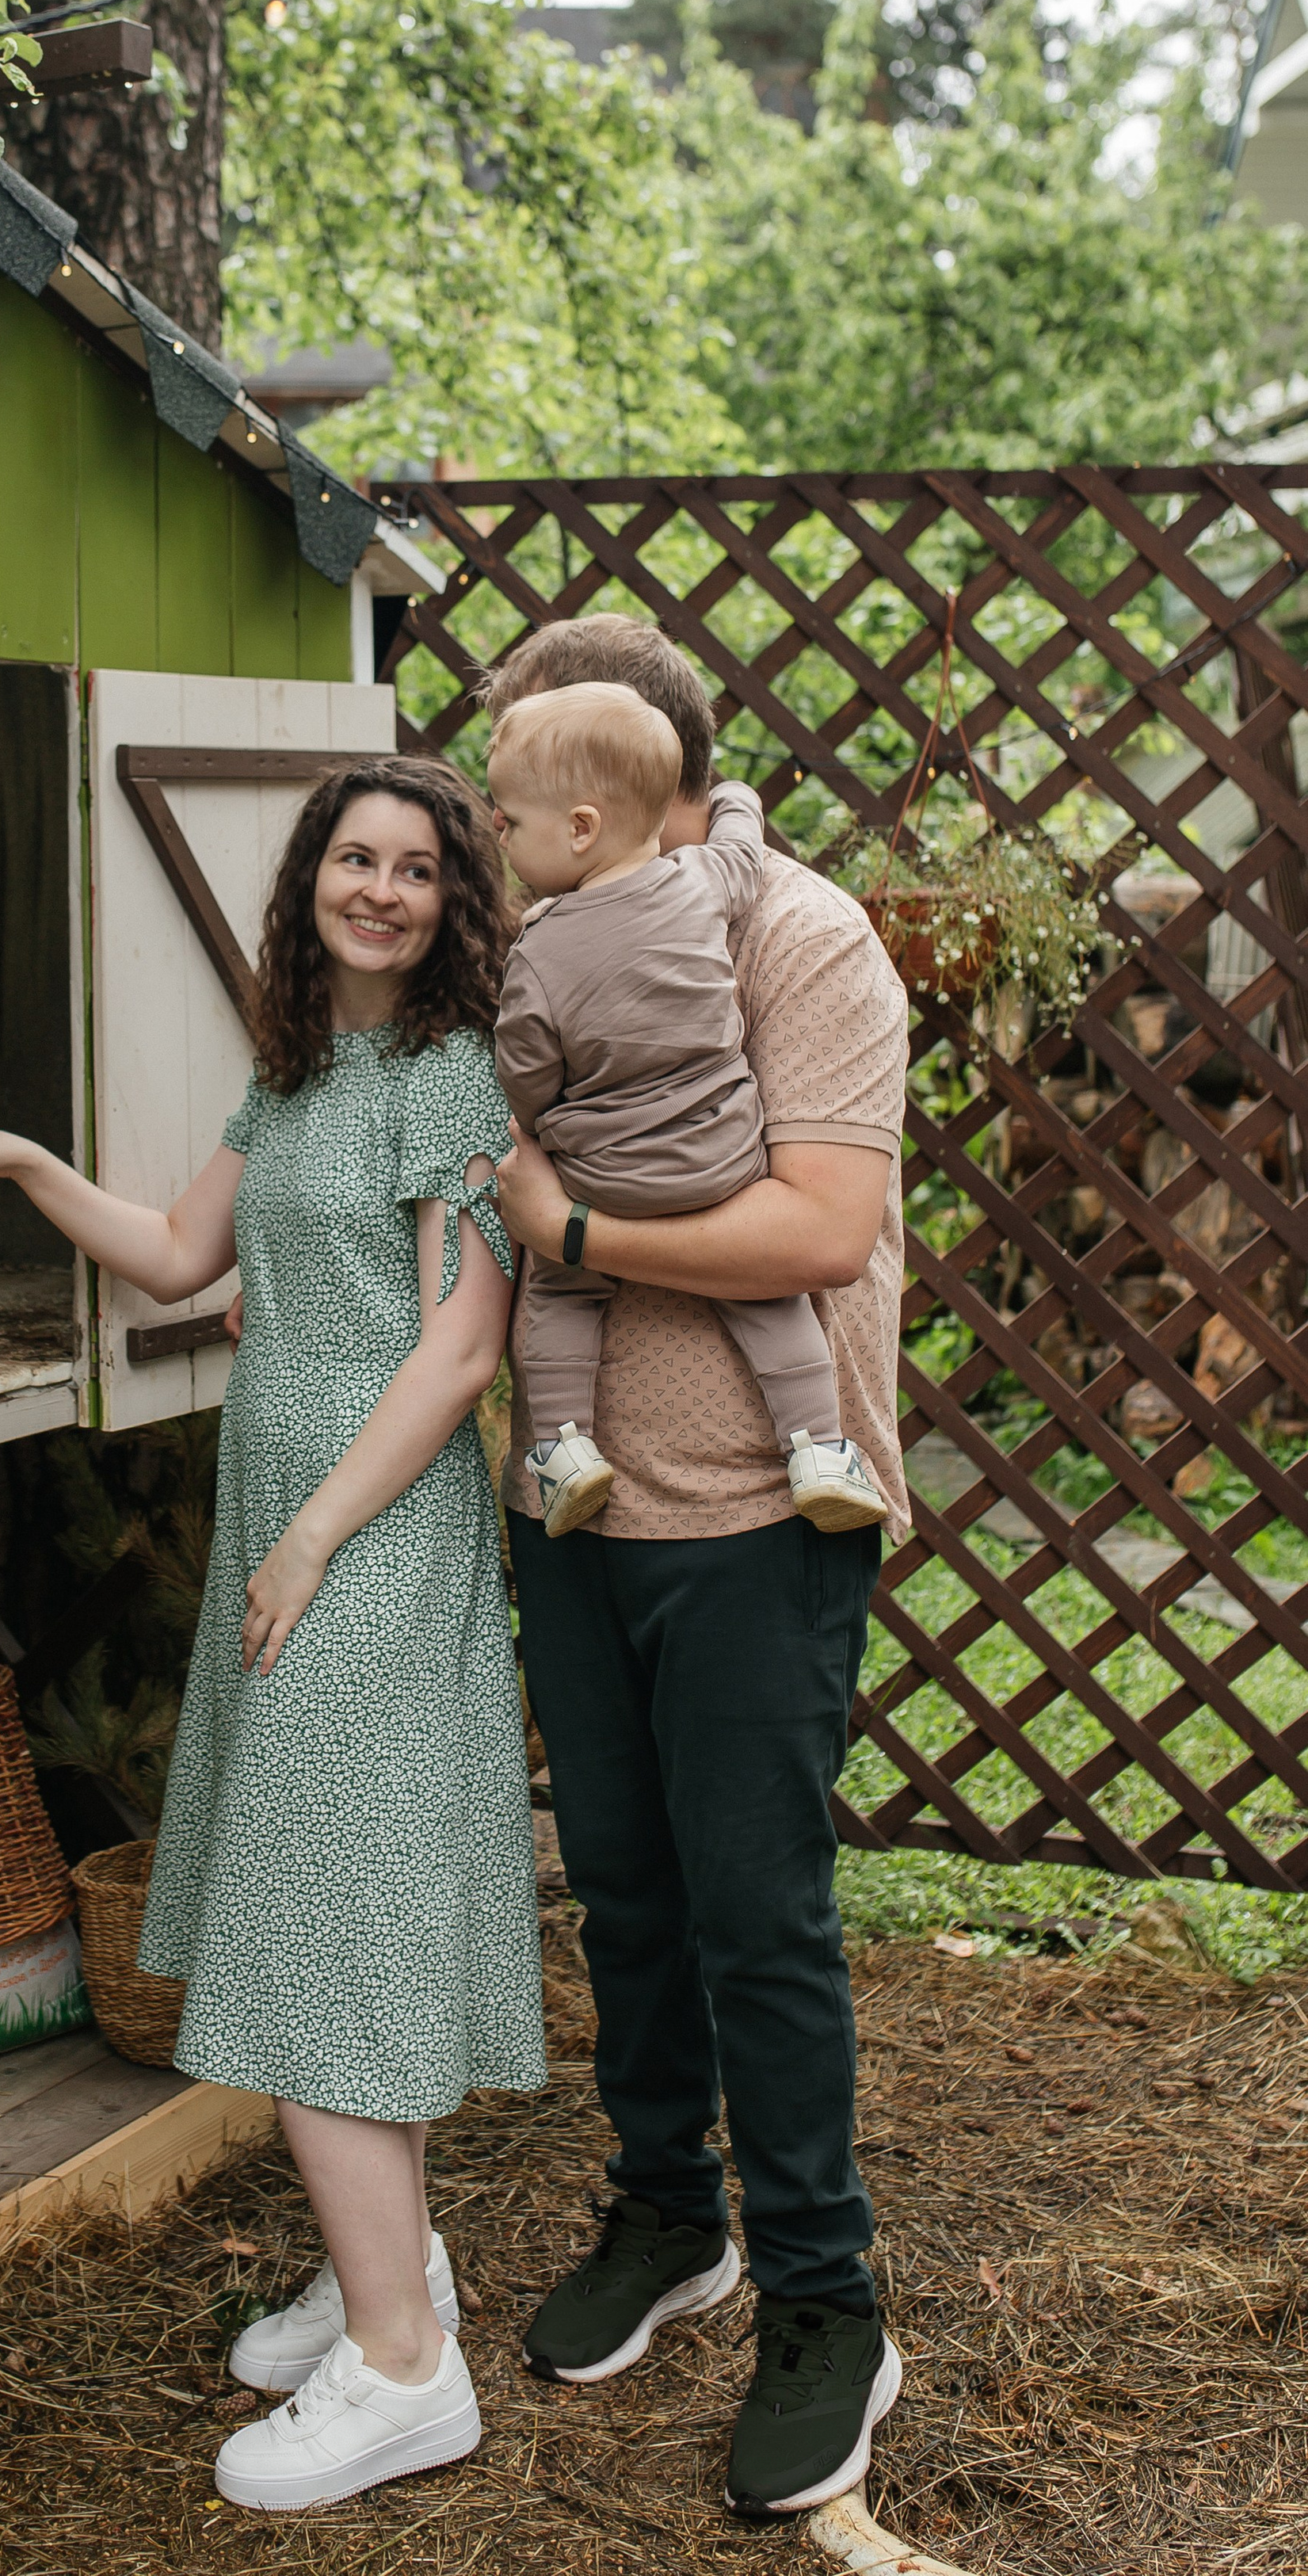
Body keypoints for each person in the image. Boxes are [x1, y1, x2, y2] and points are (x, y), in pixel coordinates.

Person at [0, 754, 543, 2517]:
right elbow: (175, 1256)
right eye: (355, 859)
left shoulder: (451, 1075)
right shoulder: (296, 1068)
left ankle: (407, 2374)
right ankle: (387, 2271)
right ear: (309, 880)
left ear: (453, 902)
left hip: (372, 1531)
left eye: (416, 868)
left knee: (319, 1924)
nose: (382, 889)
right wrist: (26, 1163)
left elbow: (459, 1352)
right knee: (320, 1897)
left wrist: (316, 1536)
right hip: (296, 1520)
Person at [486, 616, 910, 2524]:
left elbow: (817, 1221)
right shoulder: (531, 942)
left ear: (637, 783)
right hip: (573, 1506)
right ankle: (668, 2213)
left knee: (757, 1916)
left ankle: (826, 2300)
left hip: (758, 1508)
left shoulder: (798, 940)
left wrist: (566, 1220)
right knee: (627, 1894)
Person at [485, 679, 887, 1541]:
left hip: (605, 1175)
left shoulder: (541, 947)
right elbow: (740, 850)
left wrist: (560, 1204)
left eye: (511, 817)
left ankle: (563, 1449)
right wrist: (739, 797)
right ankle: (818, 1447)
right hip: (719, 1161)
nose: (498, 833)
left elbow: (524, 1070)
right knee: (771, 1309)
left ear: (581, 824)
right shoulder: (701, 884)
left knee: (562, 1291)